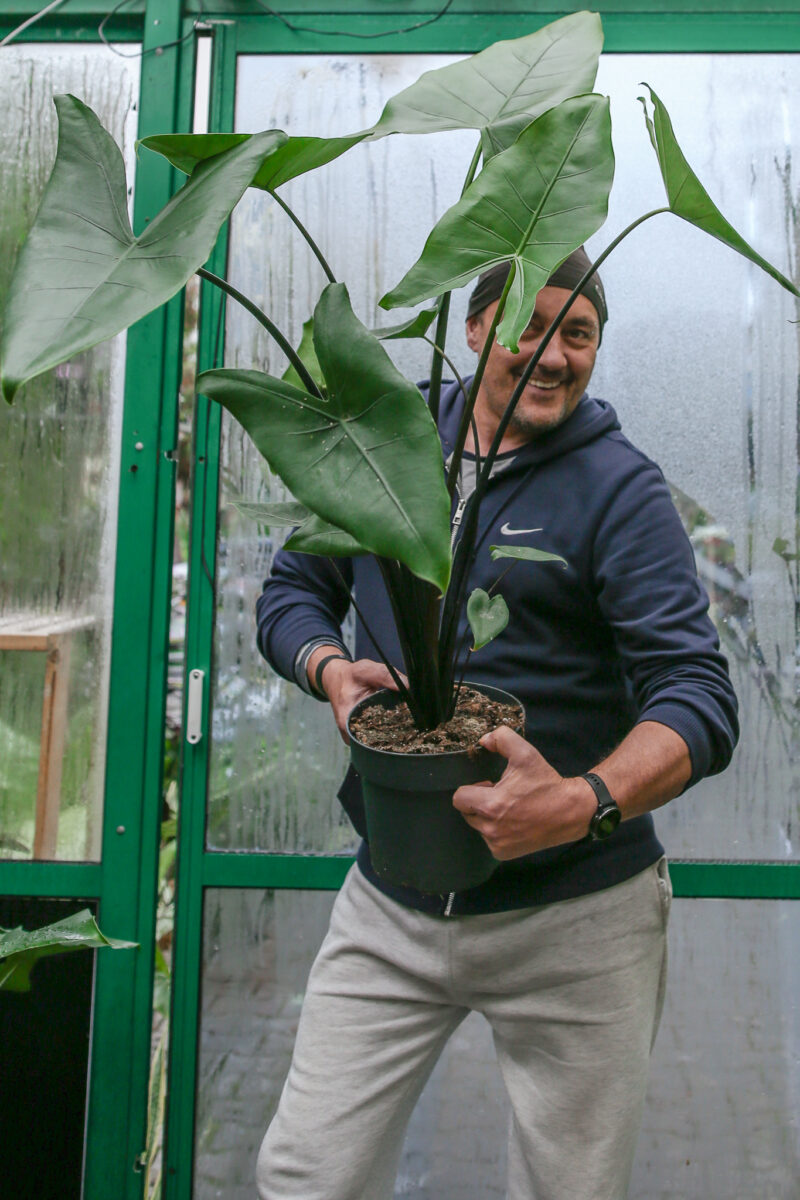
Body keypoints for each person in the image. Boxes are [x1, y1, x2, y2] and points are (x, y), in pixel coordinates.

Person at [254, 248, 738, 1200]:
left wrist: (585, 799)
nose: (554, 354)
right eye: (529, 324)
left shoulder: (620, 490)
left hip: (578, 919)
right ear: (476, 329)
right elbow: (290, 592)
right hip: (392, 893)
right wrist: (329, 670)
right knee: (306, 1173)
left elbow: (697, 695)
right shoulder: (385, 442)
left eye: (582, 332)